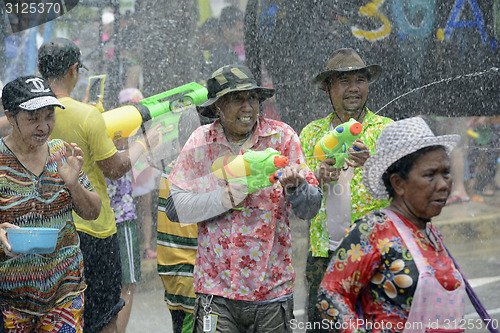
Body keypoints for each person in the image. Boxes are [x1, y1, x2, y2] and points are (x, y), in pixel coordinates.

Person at [165, 64, 322, 332]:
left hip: (272, 292)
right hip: (217, 294)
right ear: (217, 107)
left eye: (252, 98)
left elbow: (310, 208)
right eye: (236, 99)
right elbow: (174, 209)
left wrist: (297, 188)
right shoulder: (201, 142)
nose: (247, 106)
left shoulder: (282, 137)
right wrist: (225, 197)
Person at [37, 37, 160, 333]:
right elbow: (115, 168)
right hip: (93, 230)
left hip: (47, 228)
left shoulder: (27, 116)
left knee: (56, 315)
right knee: (103, 316)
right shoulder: (87, 115)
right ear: (75, 70)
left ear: (40, 68)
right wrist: (144, 144)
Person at [316, 117, 468, 332]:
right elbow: (330, 295)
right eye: (429, 175)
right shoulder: (373, 230)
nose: (443, 184)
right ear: (398, 183)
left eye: (445, 173)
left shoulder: (430, 233)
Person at [299, 48, 393, 328]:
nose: (354, 88)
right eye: (344, 81)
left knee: (377, 324)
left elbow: (405, 191)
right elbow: (297, 202)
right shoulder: (310, 134)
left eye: (360, 80)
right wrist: (316, 177)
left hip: (375, 252)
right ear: (327, 88)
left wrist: (373, 164)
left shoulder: (386, 130)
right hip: (323, 256)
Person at [0, 76, 101, 331]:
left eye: (49, 116)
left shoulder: (61, 152)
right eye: (33, 118)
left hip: (65, 293)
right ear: (10, 116)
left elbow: (92, 212)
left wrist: (73, 184)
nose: (43, 126)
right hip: (11, 300)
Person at [157, 107, 211, 333]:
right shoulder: (199, 173)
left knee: (180, 325)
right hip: (192, 271)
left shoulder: (170, 169)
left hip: (172, 270)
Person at [208, 6, 245, 73]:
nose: (243, 35)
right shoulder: (222, 55)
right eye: (240, 30)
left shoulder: (228, 52)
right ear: (225, 29)